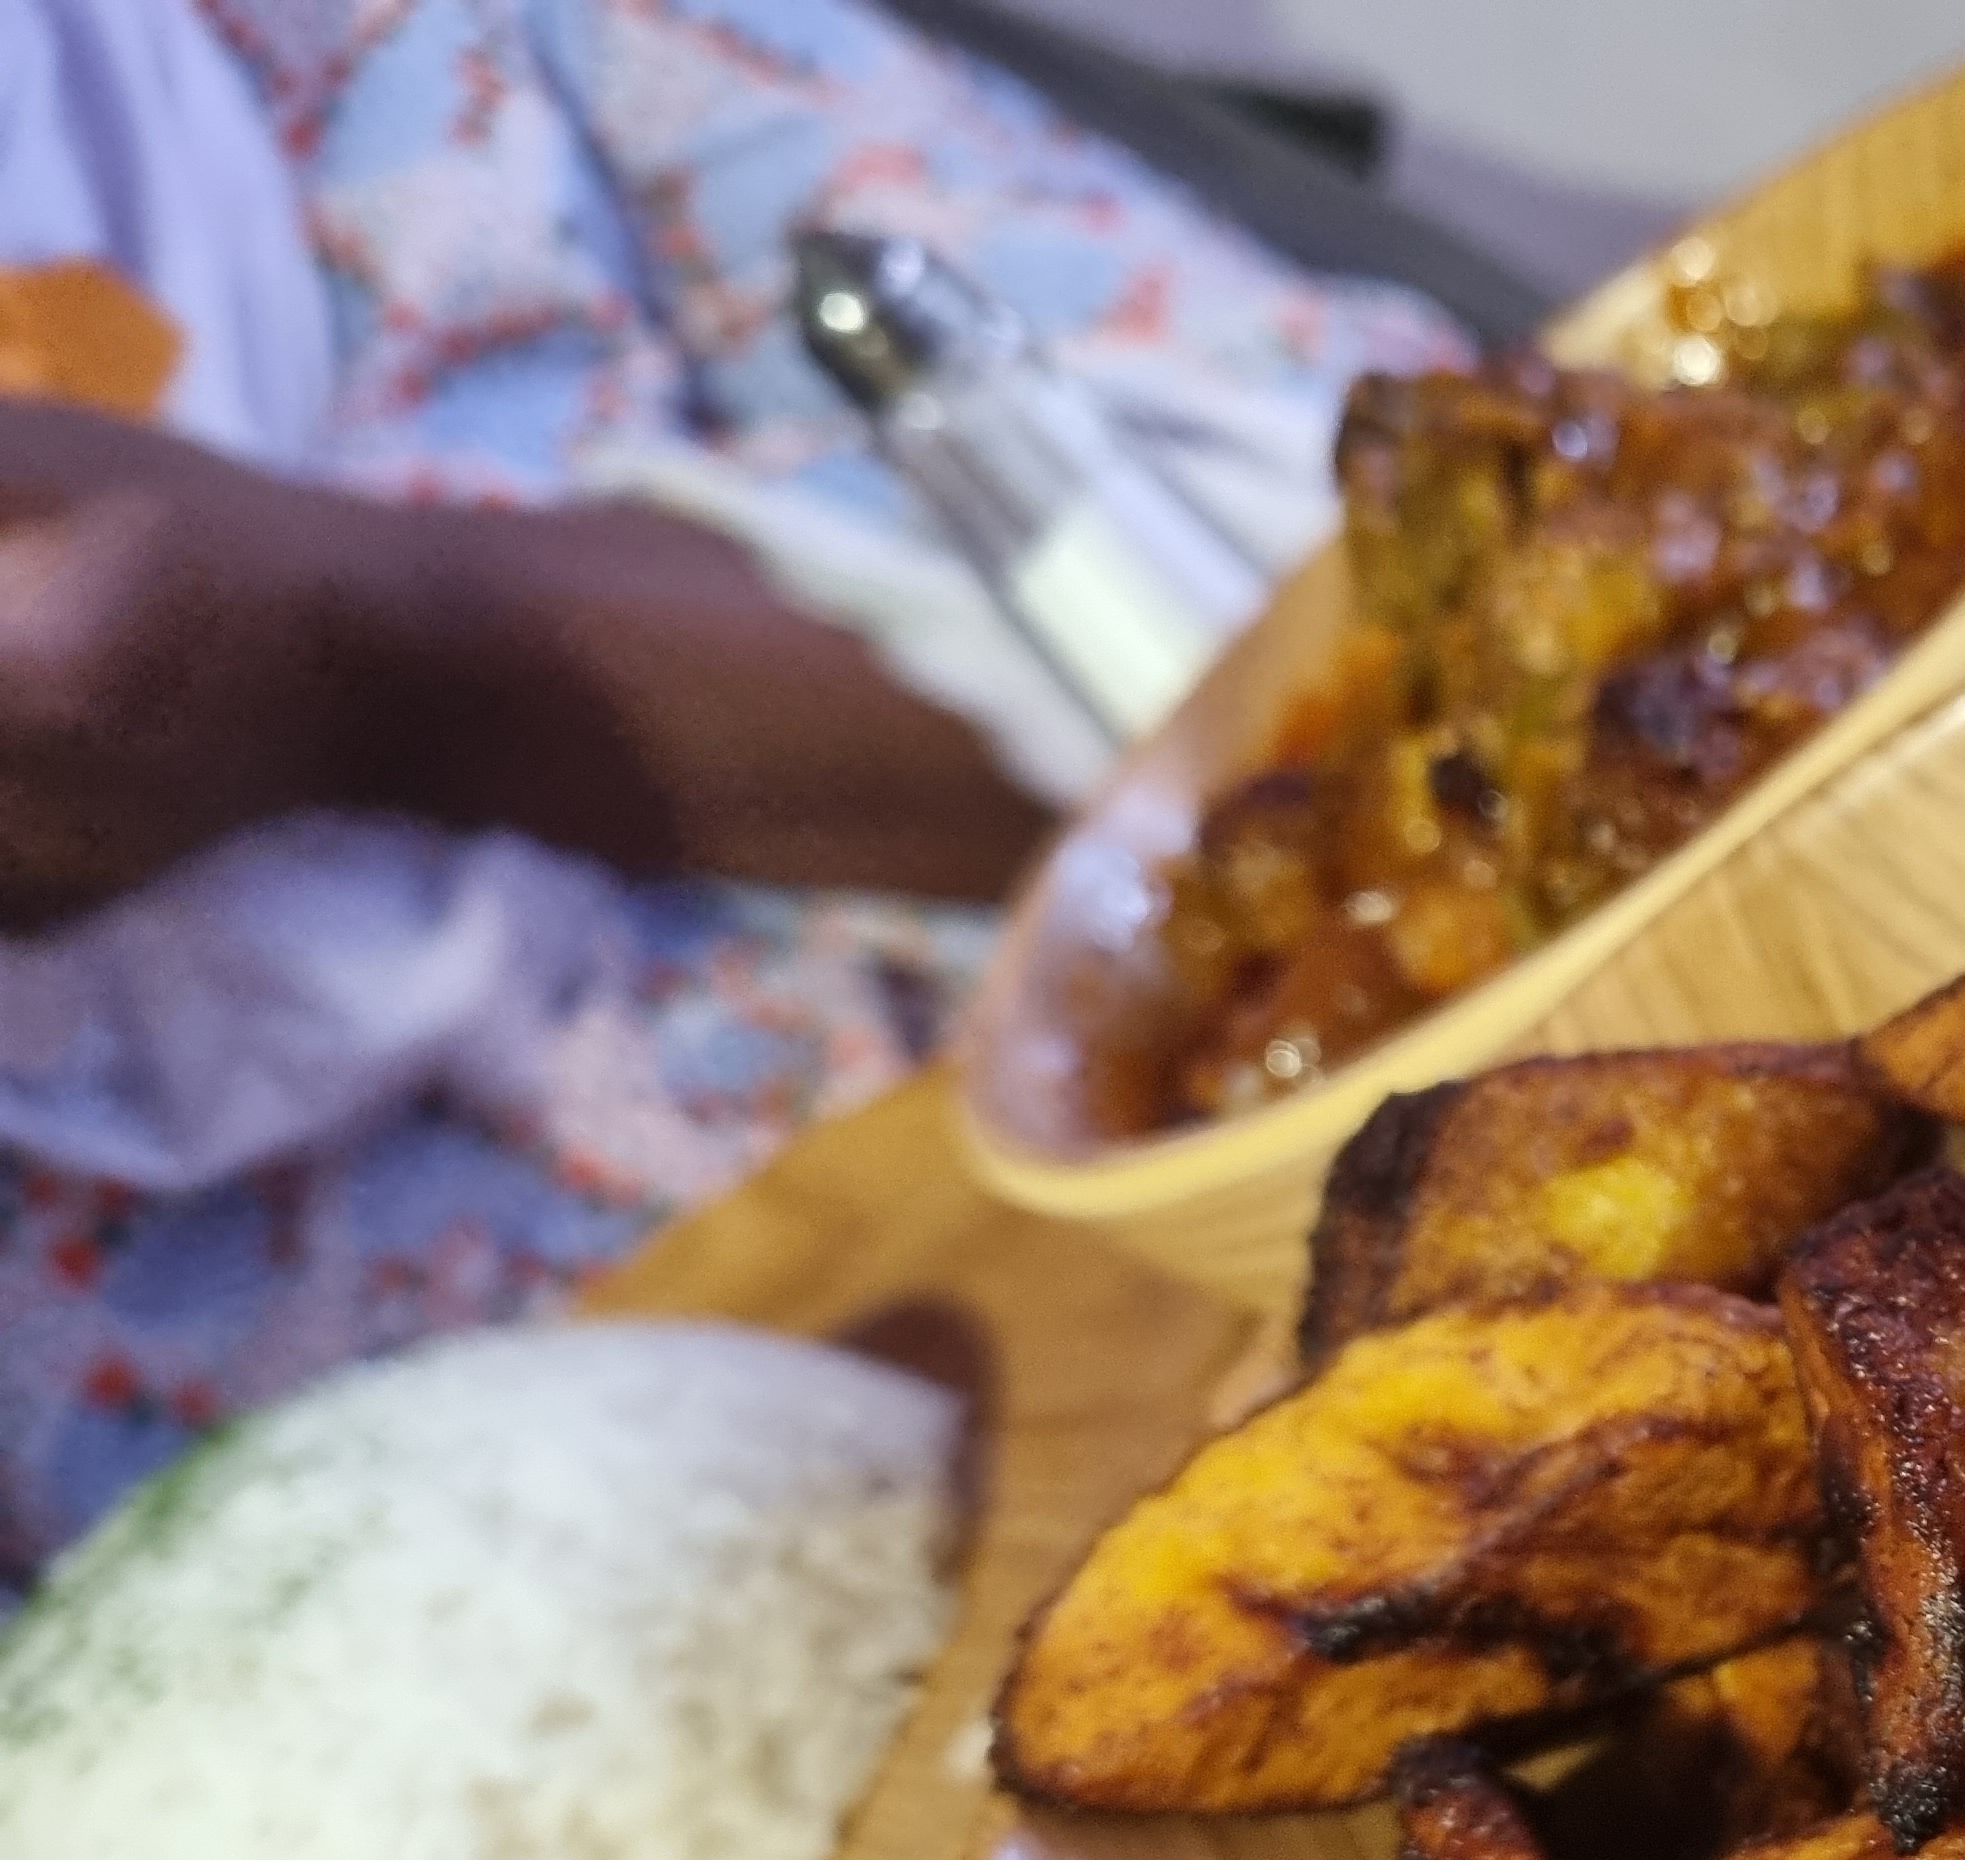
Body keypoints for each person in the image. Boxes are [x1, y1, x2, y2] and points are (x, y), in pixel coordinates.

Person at [0, 0, 1462, 1581]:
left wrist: (378, 643)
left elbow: (1428, 608)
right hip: (578, 1644)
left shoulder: (372, 64)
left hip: (1325, 1243)